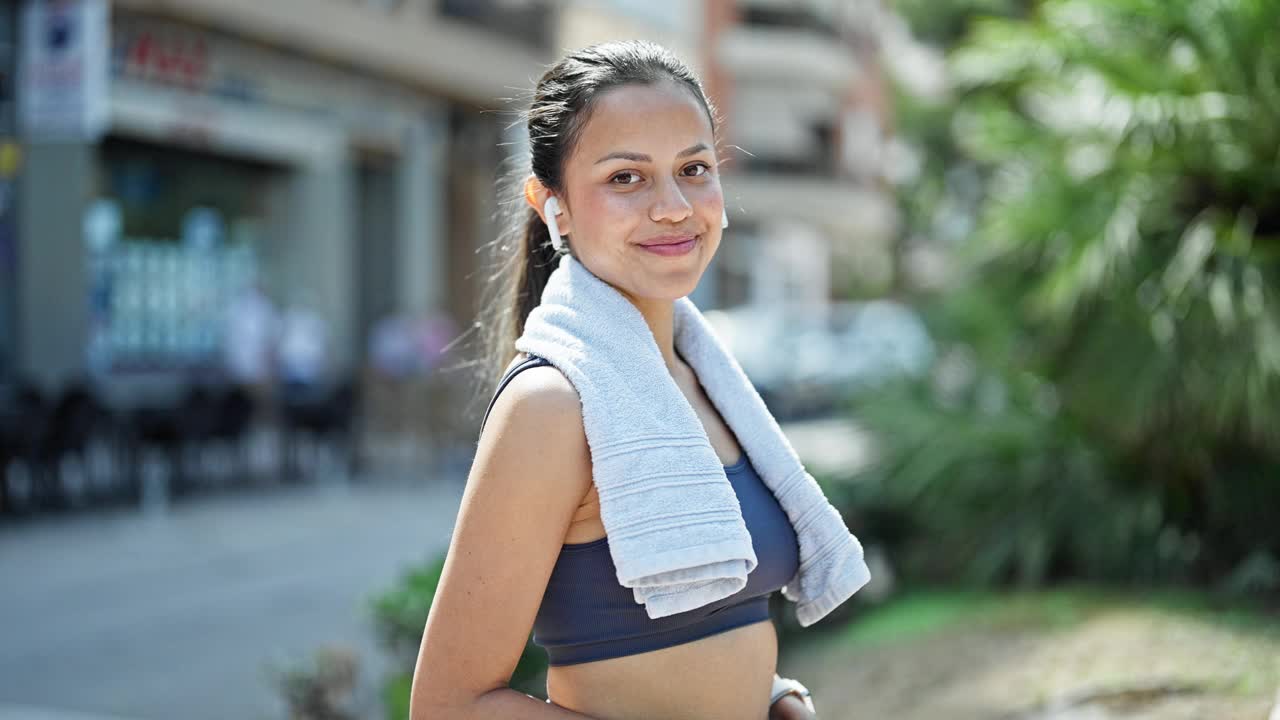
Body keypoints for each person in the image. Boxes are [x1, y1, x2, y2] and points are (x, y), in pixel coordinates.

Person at [410, 41, 819, 719]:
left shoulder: (703, 379)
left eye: (694, 168)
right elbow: (449, 707)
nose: (674, 206)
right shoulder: (551, 404)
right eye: (626, 178)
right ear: (554, 205)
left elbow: (704, 636)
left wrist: (776, 700)